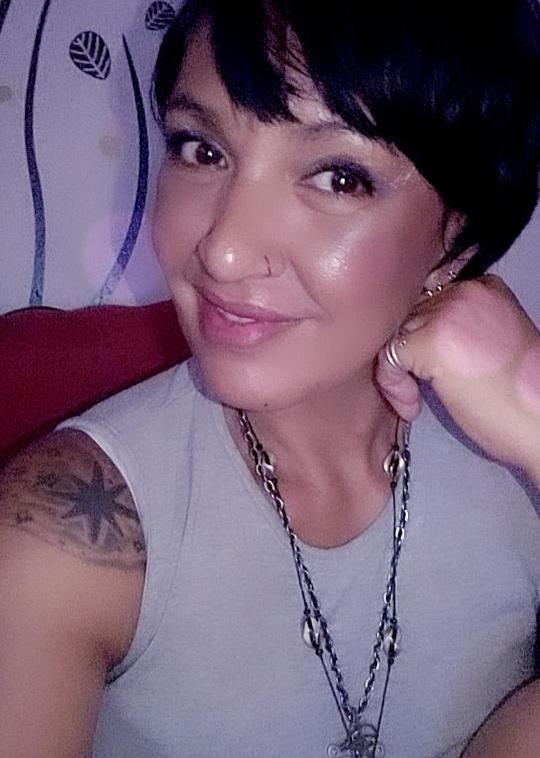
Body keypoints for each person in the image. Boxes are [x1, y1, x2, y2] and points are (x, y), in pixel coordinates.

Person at [1, 1, 539, 756]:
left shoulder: (513, 454)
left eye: (338, 177)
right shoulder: (58, 538)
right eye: (201, 149)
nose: (222, 250)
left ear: (455, 239)